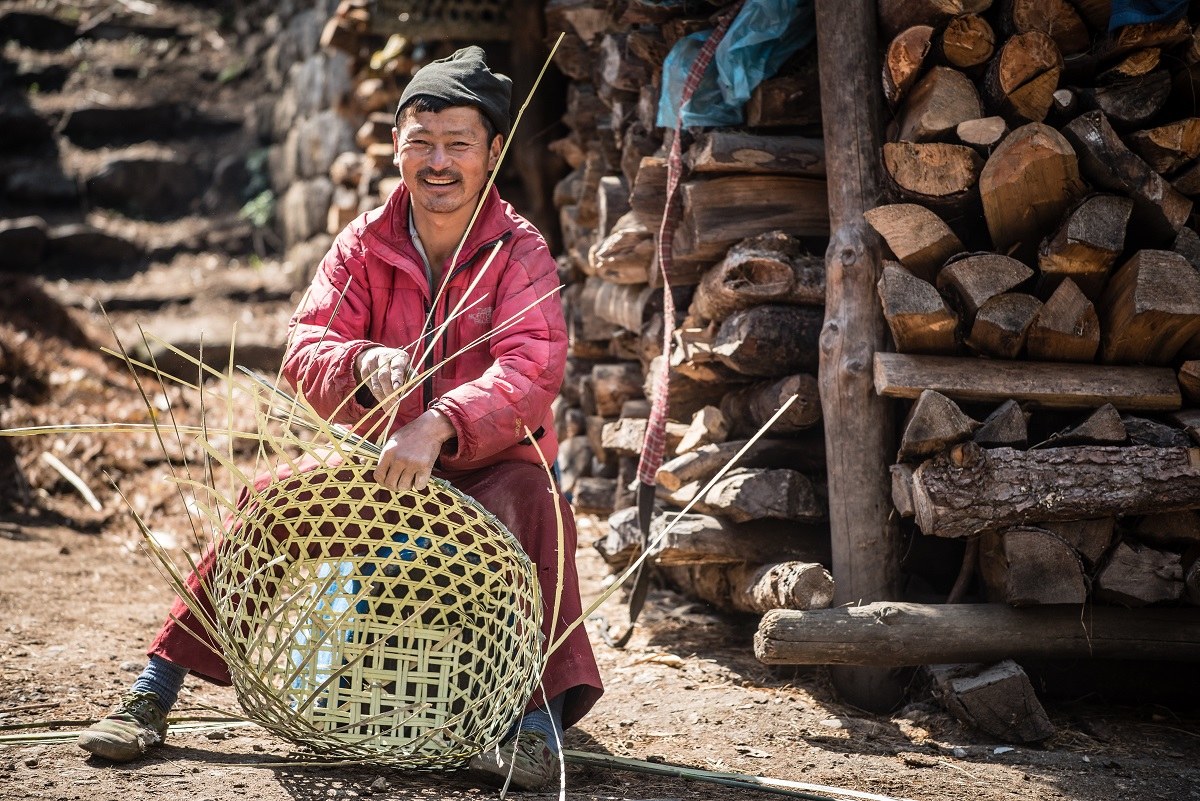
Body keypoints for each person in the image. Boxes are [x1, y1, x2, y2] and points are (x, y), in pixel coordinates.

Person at [76, 46, 603, 790]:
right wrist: (358, 364)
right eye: (420, 142)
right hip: (377, 469)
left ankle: (536, 729)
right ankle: (151, 692)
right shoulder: (364, 243)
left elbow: (531, 368)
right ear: (396, 148)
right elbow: (305, 346)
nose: (438, 161)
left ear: (492, 151)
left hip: (491, 467)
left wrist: (441, 421)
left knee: (544, 510)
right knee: (270, 505)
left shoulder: (520, 253)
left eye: (458, 143)